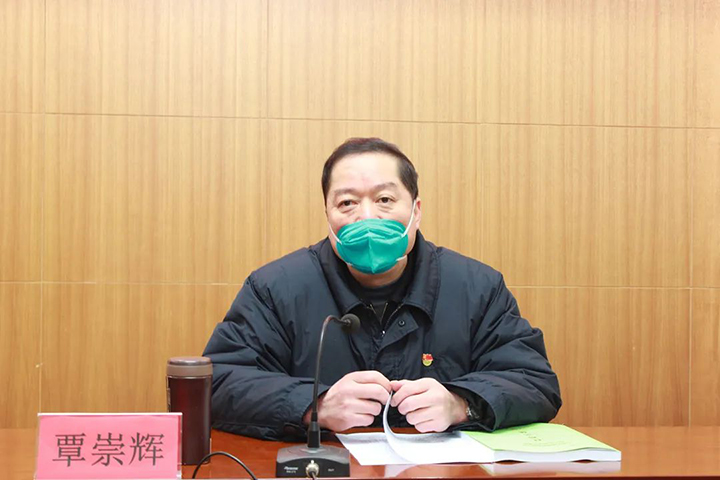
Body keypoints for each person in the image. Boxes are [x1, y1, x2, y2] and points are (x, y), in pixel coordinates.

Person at [203, 138, 561, 440]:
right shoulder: (276, 288)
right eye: (347, 203)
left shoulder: (477, 287)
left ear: (416, 211)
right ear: (327, 215)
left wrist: (461, 404)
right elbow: (218, 383)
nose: (367, 217)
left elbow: (534, 381)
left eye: (385, 200)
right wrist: (316, 406)